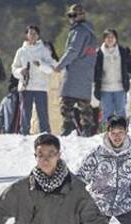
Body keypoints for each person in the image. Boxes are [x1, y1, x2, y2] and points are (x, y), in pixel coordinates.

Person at [54, 4, 98, 137]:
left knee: (66, 102)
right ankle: (87, 129)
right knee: (84, 104)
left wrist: (60, 65)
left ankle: (67, 128)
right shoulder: (90, 31)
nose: (71, 18)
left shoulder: (78, 31)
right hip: (86, 73)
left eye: (73, 15)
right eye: (70, 15)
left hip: (74, 72)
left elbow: (72, 50)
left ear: (81, 16)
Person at [11, 25, 55, 135]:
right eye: (30, 33)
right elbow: (14, 68)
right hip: (26, 86)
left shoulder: (44, 50)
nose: (32, 36)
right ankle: (24, 134)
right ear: (26, 35)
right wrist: (21, 71)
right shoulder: (21, 51)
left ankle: (45, 134)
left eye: (35, 33)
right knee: (26, 113)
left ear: (38, 35)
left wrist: (40, 65)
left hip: (41, 87)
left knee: (42, 113)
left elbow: (50, 69)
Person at [94, 29, 131, 126]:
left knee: (120, 112)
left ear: (116, 39)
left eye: (112, 37)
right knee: (106, 112)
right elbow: (95, 70)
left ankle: (122, 132)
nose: (110, 39)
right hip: (105, 88)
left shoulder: (122, 51)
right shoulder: (99, 53)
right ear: (104, 39)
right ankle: (106, 132)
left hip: (120, 87)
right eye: (107, 37)